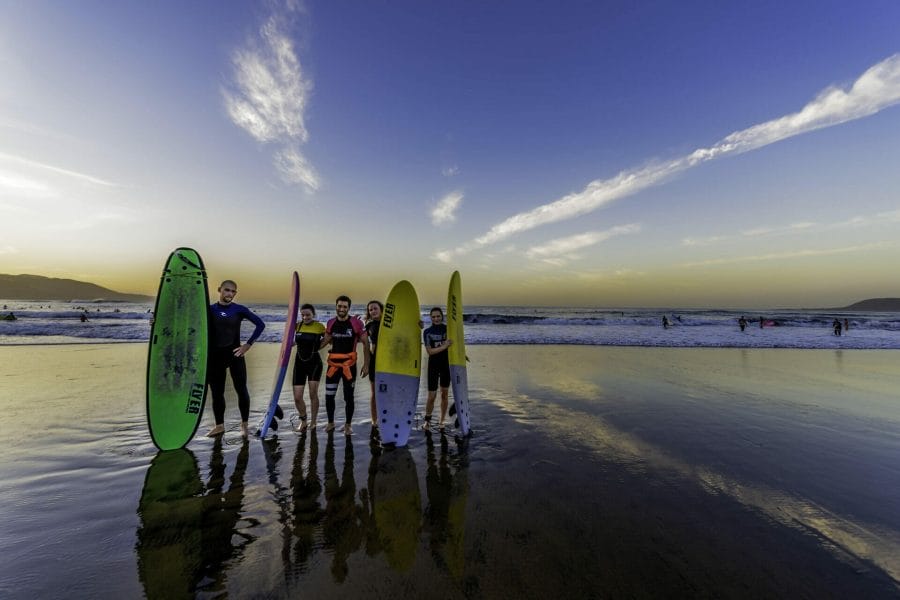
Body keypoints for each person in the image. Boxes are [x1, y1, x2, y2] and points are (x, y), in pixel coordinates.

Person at [207, 280, 265, 438]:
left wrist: (248, 345)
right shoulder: (209, 309)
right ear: (219, 290)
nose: (230, 294)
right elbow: (190, 325)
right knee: (217, 393)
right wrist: (155, 322)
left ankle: (244, 425)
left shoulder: (239, 309)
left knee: (242, 390)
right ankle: (219, 426)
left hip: (235, 355)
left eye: (233, 291)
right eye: (227, 290)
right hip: (215, 357)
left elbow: (260, 324)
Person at [323, 296, 370, 435]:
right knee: (329, 396)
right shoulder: (331, 323)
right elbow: (325, 341)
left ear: (349, 308)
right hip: (333, 366)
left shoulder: (356, 323)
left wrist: (366, 364)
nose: (342, 309)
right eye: (339, 306)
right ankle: (331, 423)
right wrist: (306, 348)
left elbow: (366, 343)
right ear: (336, 306)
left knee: (348, 397)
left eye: (344, 307)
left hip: (349, 367)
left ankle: (348, 425)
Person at [292, 303, 326, 432]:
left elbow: (329, 338)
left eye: (308, 315)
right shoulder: (298, 326)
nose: (305, 317)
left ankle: (313, 421)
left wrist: (318, 347)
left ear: (313, 315)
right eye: (303, 315)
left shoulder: (319, 327)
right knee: (297, 397)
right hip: (299, 363)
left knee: (313, 394)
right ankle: (303, 420)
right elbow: (297, 341)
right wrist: (289, 345)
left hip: (314, 364)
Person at [422, 307, 453, 431]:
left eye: (438, 316)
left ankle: (441, 420)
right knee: (432, 396)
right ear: (430, 318)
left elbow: (455, 345)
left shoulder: (448, 330)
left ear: (442, 316)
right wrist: (445, 345)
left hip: (446, 364)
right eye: (433, 317)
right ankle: (427, 421)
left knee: (444, 394)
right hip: (433, 365)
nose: (436, 318)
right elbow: (430, 351)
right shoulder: (427, 332)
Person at [364, 300, 384, 428]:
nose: (373, 311)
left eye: (375, 308)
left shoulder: (389, 324)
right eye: (370, 309)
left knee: (387, 391)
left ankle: (387, 417)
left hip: (387, 361)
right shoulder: (368, 326)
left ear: (381, 309)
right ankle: (374, 420)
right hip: (374, 360)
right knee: (374, 392)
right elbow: (364, 344)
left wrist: (418, 324)